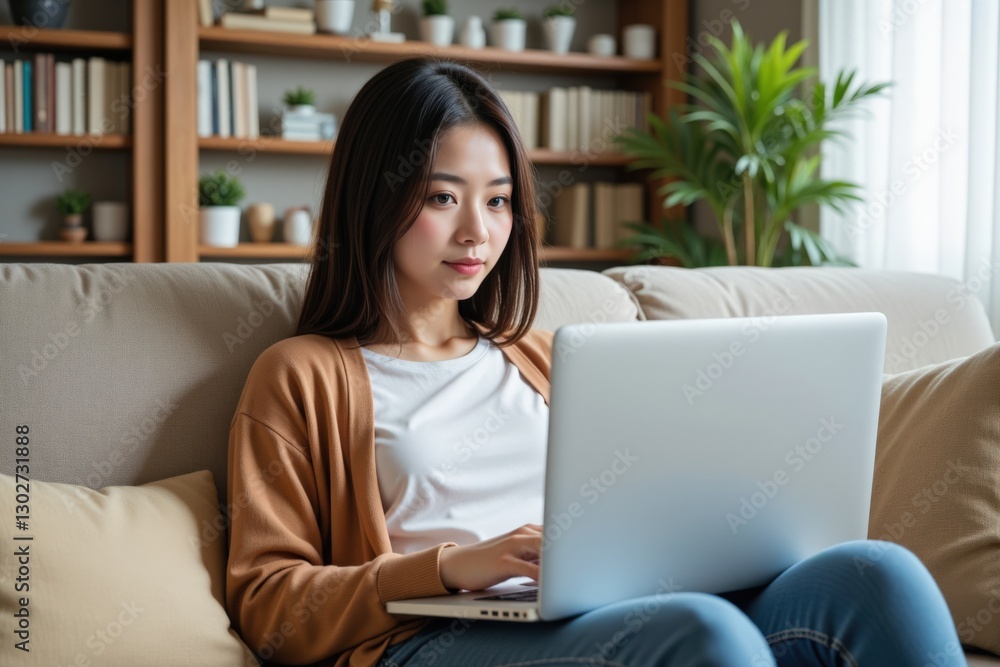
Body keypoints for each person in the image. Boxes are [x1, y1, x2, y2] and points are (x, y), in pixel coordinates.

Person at [225, 56, 967, 667]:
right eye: (443, 197)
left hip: (608, 608)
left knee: (878, 575)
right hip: (429, 637)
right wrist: (454, 566)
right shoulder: (303, 375)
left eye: (499, 201)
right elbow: (269, 603)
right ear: (374, 200)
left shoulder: (545, 359)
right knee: (705, 635)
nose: (476, 232)